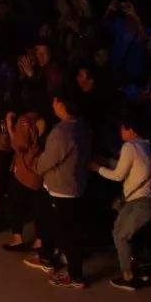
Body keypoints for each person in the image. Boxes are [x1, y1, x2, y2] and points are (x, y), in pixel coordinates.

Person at [24, 89, 92, 289]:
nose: (53, 104)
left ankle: (75, 275)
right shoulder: (82, 127)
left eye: (56, 101)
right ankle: (48, 256)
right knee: (51, 222)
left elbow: (47, 161)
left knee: (67, 232)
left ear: (63, 105)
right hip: (74, 185)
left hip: (61, 189)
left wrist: (35, 162)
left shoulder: (62, 132)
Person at [94, 111, 151, 291]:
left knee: (121, 235)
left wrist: (97, 168)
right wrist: (107, 161)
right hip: (143, 201)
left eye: (123, 128)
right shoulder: (145, 145)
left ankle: (128, 276)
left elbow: (119, 175)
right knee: (120, 232)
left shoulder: (130, 147)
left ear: (131, 130)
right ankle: (134, 268)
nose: (120, 131)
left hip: (139, 202)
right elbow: (131, 168)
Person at [0, 107, 43, 253]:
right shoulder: (43, 118)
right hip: (40, 170)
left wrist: (10, 127)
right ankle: (39, 240)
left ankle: (18, 239)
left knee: (15, 204)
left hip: (25, 171)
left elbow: (19, 145)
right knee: (38, 207)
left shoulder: (25, 120)